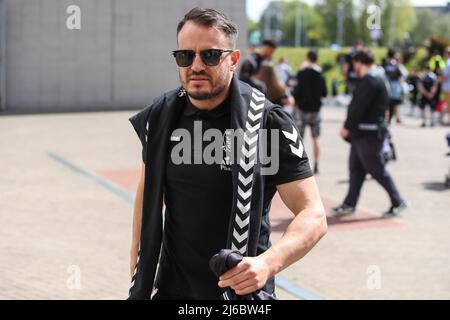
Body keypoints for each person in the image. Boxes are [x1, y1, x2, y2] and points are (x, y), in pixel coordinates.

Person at [127, 7, 327, 300]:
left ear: (233, 60)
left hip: (241, 295)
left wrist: (267, 263)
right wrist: (138, 272)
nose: (196, 65)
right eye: (185, 55)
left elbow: (313, 214)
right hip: (173, 290)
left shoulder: (268, 122)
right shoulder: (160, 116)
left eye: (209, 55)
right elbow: (147, 200)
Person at [333, 49, 408, 217]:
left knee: (376, 169)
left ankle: (398, 200)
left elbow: (359, 107)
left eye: (354, 64)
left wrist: (347, 126)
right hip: (363, 132)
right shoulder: (378, 77)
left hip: (368, 132)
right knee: (356, 169)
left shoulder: (371, 80)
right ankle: (349, 203)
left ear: (359, 63)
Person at [292, 50, 328, 174]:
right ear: (317, 59)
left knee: (299, 138)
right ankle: (317, 163)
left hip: (302, 109)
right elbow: (324, 93)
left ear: (307, 58)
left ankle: (298, 164)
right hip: (315, 110)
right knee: (316, 137)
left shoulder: (301, 73)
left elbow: (296, 92)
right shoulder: (320, 74)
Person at [383, 49, 407, 125]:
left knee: (387, 103)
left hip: (386, 83)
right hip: (395, 85)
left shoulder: (385, 64)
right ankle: (393, 118)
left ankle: (387, 119)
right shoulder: (396, 64)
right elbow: (402, 75)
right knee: (394, 103)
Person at [440, 47, 450, 125]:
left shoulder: (447, 63)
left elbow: (445, 77)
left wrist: (439, 80)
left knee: (446, 104)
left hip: (447, 88)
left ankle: (442, 120)